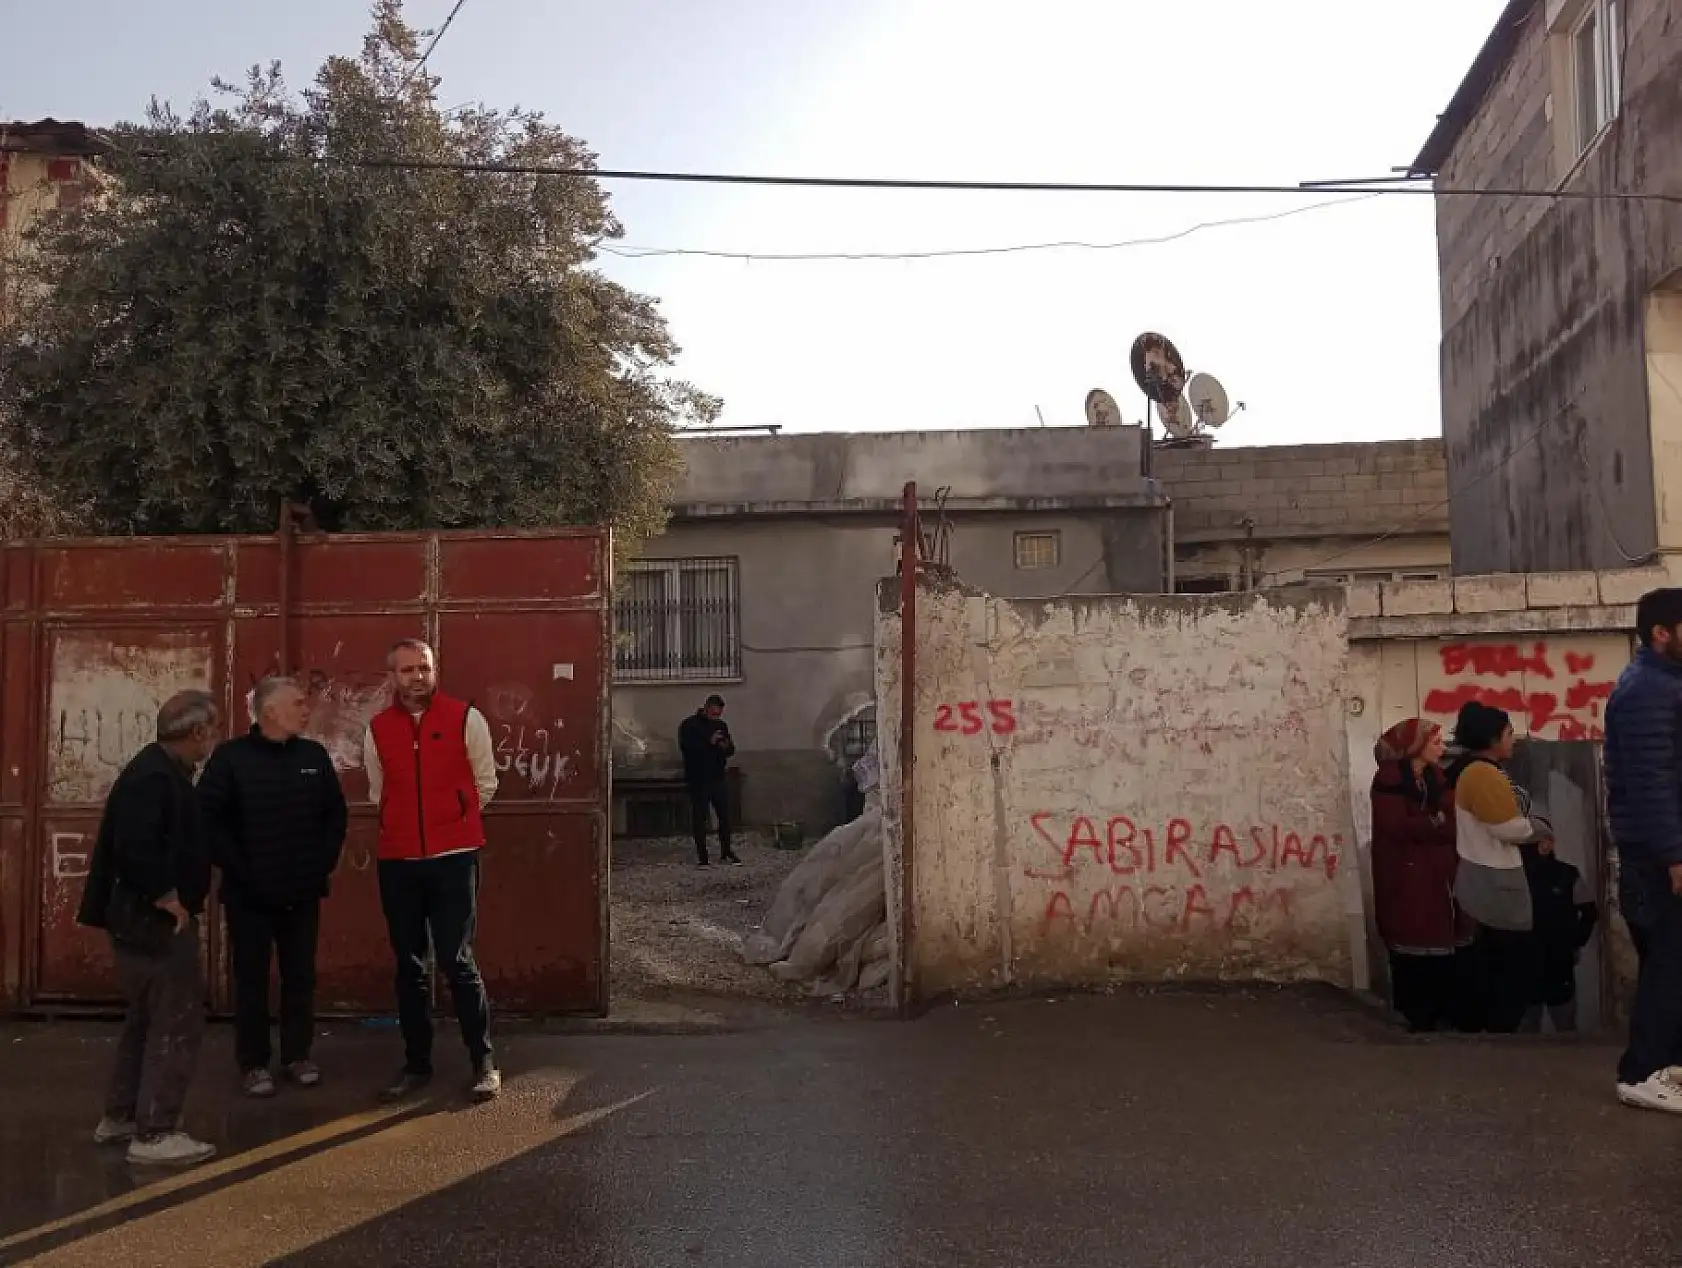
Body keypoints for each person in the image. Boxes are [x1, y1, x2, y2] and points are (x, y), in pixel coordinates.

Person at [75, 690, 221, 1167]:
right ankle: (156, 1132)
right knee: (176, 1021)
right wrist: (169, 900)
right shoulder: (155, 777)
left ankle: (121, 1117)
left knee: (144, 1020)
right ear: (197, 731)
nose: (212, 740)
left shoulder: (158, 770)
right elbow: (134, 846)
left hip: (137, 921)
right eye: (211, 730)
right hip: (150, 923)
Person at [363, 638, 501, 1103]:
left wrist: (453, 823)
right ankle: (416, 1065)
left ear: (434, 670)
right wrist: (404, 829)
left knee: (458, 961)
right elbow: (376, 791)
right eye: (406, 670)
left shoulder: (466, 718)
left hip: (453, 860)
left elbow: (486, 782)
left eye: (422, 668)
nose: (415, 677)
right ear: (393, 677)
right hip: (399, 862)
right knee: (409, 966)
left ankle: (483, 1062)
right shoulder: (378, 729)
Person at [198, 676, 348, 1098]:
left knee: (300, 976)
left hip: (302, 893)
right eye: (298, 703)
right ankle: (254, 1063)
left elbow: (333, 818)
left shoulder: (314, 757)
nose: (306, 709)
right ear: (269, 712)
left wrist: (319, 866)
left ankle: (297, 1056)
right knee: (251, 980)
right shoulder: (230, 759)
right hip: (249, 896)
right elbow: (208, 820)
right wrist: (243, 870)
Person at [1606, 587, 1682, 1112]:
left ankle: (1665, 1067)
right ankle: (1643, 1072)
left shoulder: (1665, 684)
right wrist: (1675, 856)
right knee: (1669, 966)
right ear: (1663, 633)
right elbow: (1652, 782)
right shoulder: (1647, 691)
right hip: (1659, 859)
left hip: (1662, 852)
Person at [1369, 718, 1470, 1032]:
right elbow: (1398, 827)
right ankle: (1416, 1015)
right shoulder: (1389, 779)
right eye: (1435, 741)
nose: (1442, 748)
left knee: (1441, 944)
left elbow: (1451, 821)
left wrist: (1433, 824)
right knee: (1412, 940)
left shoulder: (1435, 777)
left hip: (1438, 876)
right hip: (1406, 876)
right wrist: (1433, 824)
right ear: (1416, 746)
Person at [1443, 701, 1538, 1034]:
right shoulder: (1482, 773)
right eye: (1509, 733)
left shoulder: (1469, 770)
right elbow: (1508, 827)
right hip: (1493, 878)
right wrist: (1538, 828)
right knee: (1505, 964)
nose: (1514, 739)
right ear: (1492, 738)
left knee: (1489, 960)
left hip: (1481, 874)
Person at [1517, 819, 1598, 1034]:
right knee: (1525, 1027)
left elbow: (1590, 912)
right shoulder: (1514, 877)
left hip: (1558, 962)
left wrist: (1574, 941)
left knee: (1566, 1027)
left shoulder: (1567, 875)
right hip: (1524, 961)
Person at [679, 694, 739, 867]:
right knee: (700, 818)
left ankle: (726, 852)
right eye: (713, 714)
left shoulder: (721, 725)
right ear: (706, 708)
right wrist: (709, 743)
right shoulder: (689, 725)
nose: (716, 717)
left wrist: (725, 746)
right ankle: (702, 857)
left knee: (725, 817)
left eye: (718, 714)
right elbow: (688, 749)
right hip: (698, 779)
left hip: (718, 777)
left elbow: (730, 750)